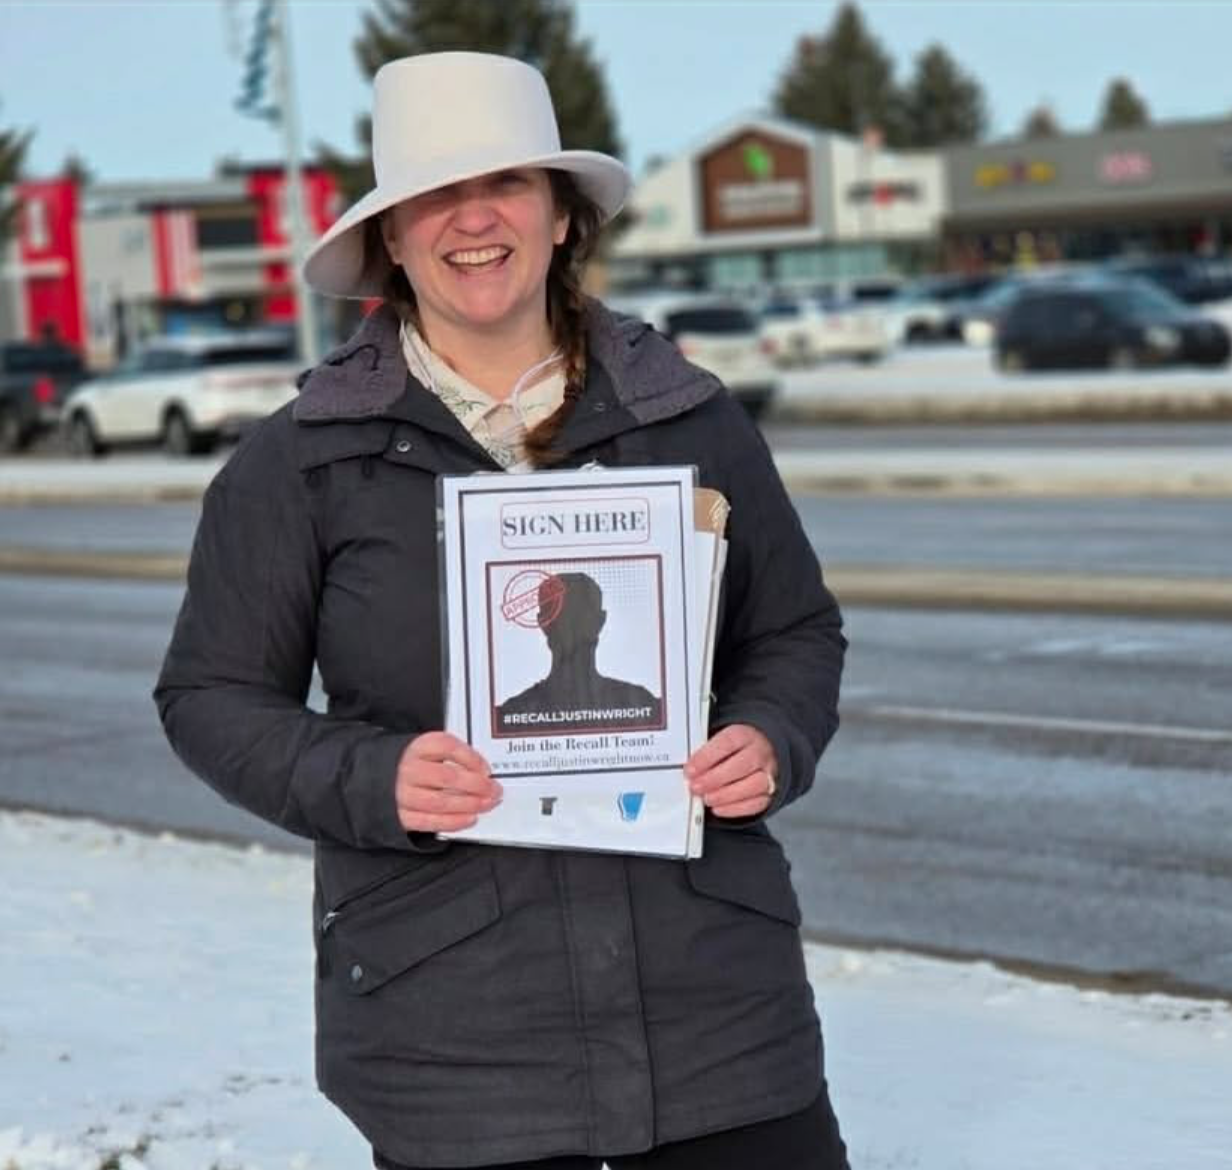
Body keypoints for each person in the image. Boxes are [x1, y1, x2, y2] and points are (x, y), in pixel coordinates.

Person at [155, 51, 849, 1169]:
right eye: (435, 194)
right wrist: (372, 778)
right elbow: (211, 695)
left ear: (561, 217)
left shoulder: (690, 420)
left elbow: (793, 633)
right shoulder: (302, 463)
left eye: (507, 184)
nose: (472, 219)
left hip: (720, 1032)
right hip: (457, 1051)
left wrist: (770, 737)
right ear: (390, 238)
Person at [495, 571, 663, 735]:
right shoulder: (640, 704)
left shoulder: (511, 715)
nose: (571, 628)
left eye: (579, 614)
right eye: (564, 615)